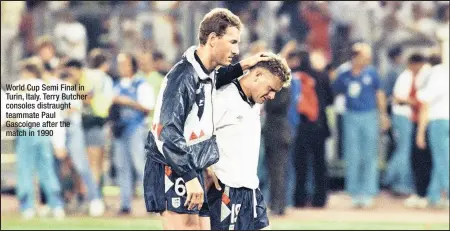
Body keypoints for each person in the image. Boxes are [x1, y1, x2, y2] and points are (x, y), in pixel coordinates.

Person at [144, 8, 271, 230]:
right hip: (173, 167)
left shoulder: (205, 71)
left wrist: (243, 66)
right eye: (232, 42)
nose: (237, 49)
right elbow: (167, 131)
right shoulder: (183, 76)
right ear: (213, 39)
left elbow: (214, 80)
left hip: (191, 166)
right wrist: (190, 176)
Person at [208, 54, 291, 230]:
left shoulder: (255, 100)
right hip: (226, 189)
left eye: (275, 91)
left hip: (251, 190)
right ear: (257, 75)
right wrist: (206, 167)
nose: (272, 96)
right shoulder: (223, 97)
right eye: (270, 89)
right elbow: (198, 133)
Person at [331, 43, 390, 208]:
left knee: (369, 154)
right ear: (355, 56)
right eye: (364, 56)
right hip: (351, 116)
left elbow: (380, 93)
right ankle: (354, 192)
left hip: (369, 115)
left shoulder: (371, 73)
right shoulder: (344, 73)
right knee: (353, 154)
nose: (367, 59)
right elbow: (335, 89)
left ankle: (369, 191)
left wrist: (383, 114)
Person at [111, 53, 155, 215]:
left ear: (132, 66)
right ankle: (125, 204)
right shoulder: (116, 84)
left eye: (124, 64)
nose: (121, 67)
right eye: (119, 63)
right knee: (122, 167)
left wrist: (127, 102)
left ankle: (150, 203)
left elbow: (148, 107)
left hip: (136, 128)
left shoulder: (141, 84)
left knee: (140, 166)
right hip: (119, 130)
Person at [416, 55, 449, 209]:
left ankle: (446, 194)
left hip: (439, 121)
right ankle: (434, 195)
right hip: (444, 119)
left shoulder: (436, 74)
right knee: (441, 160)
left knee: (442, 161)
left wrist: (421, 131)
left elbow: (425, 101)